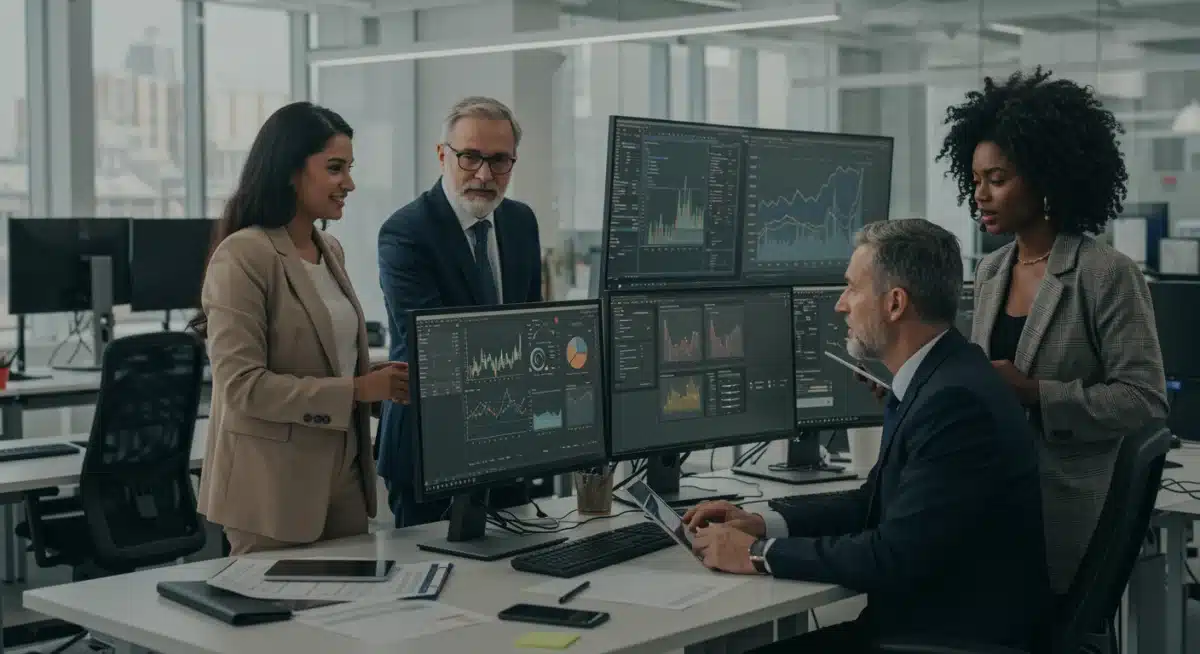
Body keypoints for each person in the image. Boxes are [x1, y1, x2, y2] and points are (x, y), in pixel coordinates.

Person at [684, 219, 1051, 653]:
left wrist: (757, 554)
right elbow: (873, 503)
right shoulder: (944, 376)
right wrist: (764, 523)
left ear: (895, 303)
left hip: (944, 640)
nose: (841, 304)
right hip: (922, 630)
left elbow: (891, 555)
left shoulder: (954, 403)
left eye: (852, 289)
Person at [936, 67, 1169, 594]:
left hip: (1066, 516)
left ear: (1046, 179)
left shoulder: (1105, 274)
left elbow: (1145, 402)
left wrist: (1035, 392)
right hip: (991, 503)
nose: (981, 195)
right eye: (975, 180)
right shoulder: (992, 273)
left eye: (998, 179)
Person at [192, 101, 409, 555]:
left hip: (344, 476)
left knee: (348, 617)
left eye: (349, 169)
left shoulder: (329, 249)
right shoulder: (243, 256)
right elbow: (243, 388)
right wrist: (358, 390)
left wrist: (386, 380)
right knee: (276, 623)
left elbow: (331, 362)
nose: (348, 183)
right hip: (272, 489)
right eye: (335, 168)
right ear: (291, 170)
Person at [376, 96, 543, 527]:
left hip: (507, 439)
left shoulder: (521, 223)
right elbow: (433, 346)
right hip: (433, 446)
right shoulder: (406, 232)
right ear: (442, 155)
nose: (484, 175)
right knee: (435, 586)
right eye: (470, 157)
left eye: (499, 160)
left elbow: (536, 326)